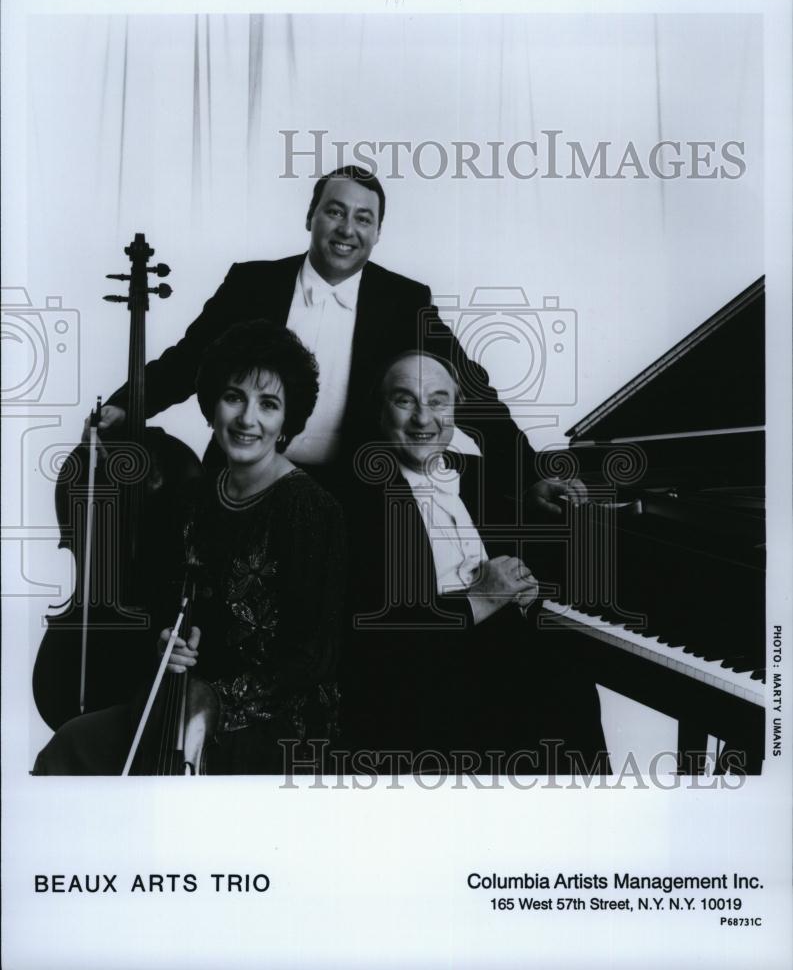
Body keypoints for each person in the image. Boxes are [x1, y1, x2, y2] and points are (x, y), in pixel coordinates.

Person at [89, 165, 569, 512]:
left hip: (353, 491)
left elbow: (468, 387)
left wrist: (530, 473)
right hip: (242, 481)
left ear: (378, 233)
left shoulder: (403, 299)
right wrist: (126, 404)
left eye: (363, 218)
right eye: (334, 212)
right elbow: (188, 360)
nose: (347, 229)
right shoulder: (251, 283)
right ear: (310, 217)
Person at [34, 321, 345, 775]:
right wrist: (164, 644)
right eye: (234, 396)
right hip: (180, 701)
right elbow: (162, 603)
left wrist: (216, 698)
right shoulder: (189, 498)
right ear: (211, 405)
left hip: (276, 719)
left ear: (286, 423)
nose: (247, 419)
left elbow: (313, 658)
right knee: (70, 746)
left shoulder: (313, 510)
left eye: (269, 404)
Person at [340, 352, 609, 775]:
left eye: (437, 401)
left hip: (498, 655)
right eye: (404, 400)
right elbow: (373, 630)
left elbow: (519, 562)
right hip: (422, 678)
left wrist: (522, 587)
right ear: (379, 412)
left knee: (571, 685)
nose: (423, 418)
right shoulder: (357, 498)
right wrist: (481, 599)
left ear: (456, 409)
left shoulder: (478, 476)